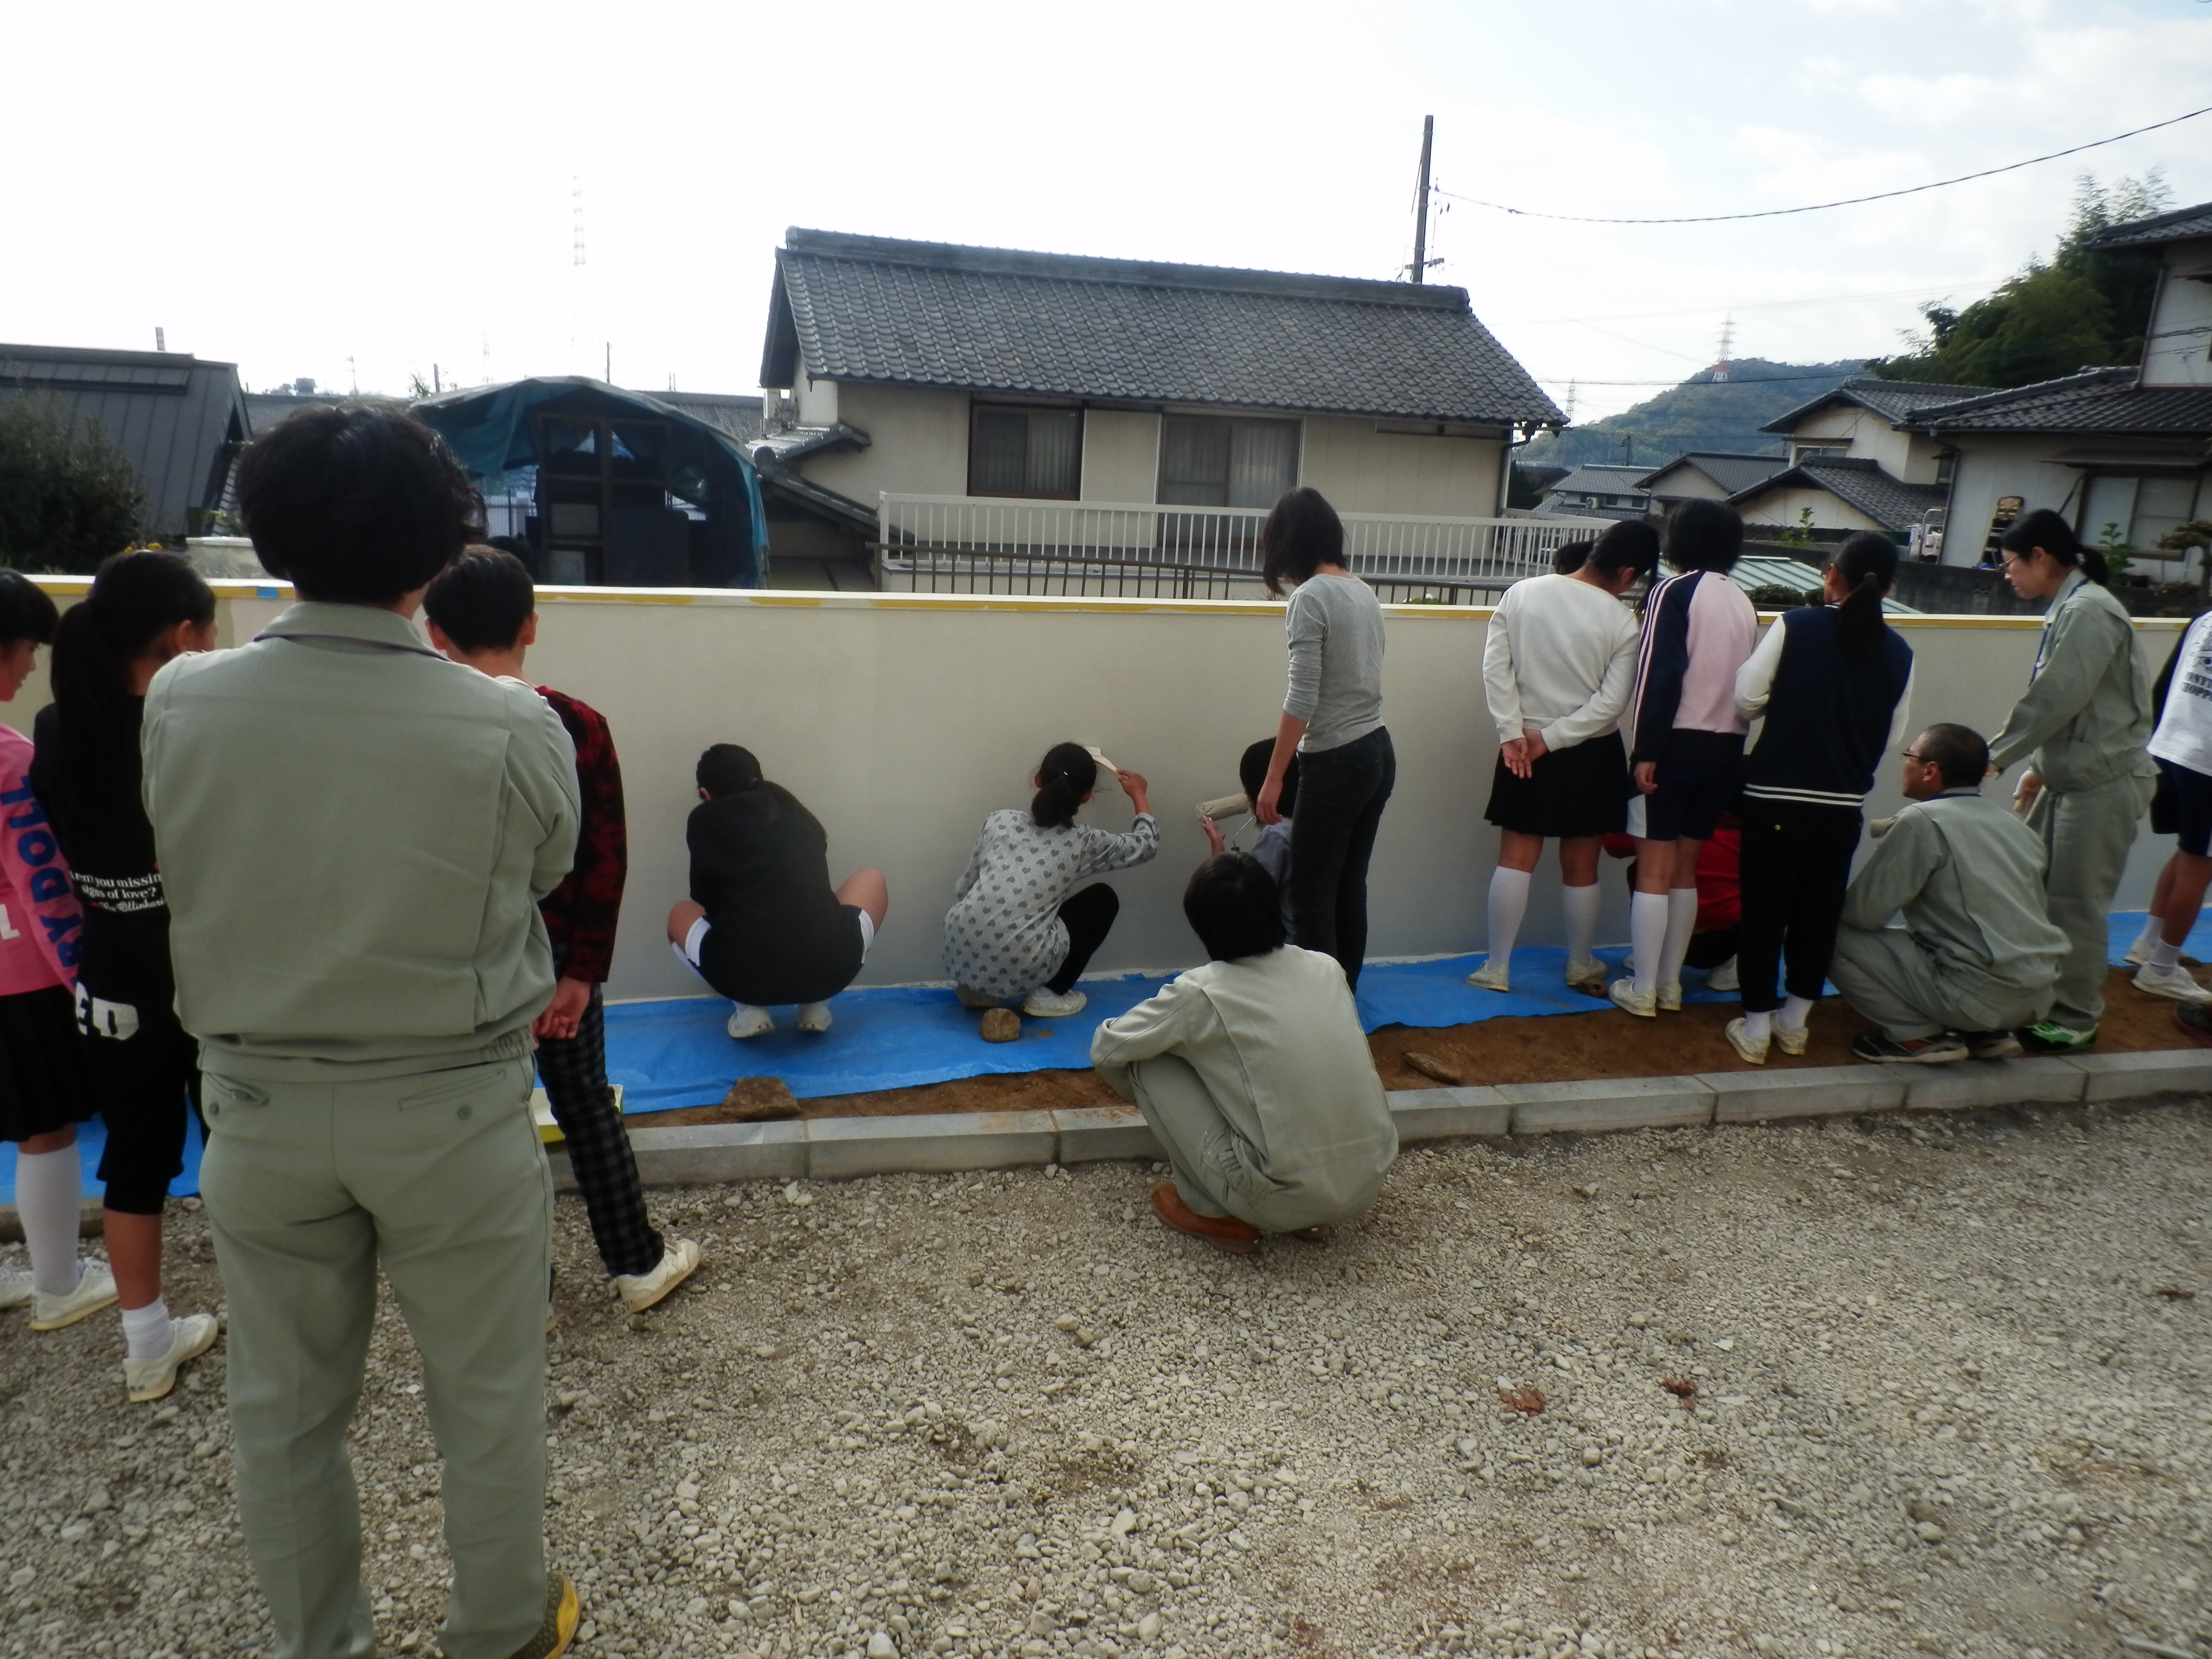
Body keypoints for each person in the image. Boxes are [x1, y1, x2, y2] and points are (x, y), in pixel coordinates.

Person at [143, 403, 585, 1659]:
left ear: (268, 536)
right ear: (438, 557)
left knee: (282, 1413)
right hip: (453, 1107)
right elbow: (544, 868)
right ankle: (502, 1628)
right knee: (486, 1401)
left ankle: (319, 1644)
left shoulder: (183, 697)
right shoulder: (513, 723)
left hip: (257, 1108)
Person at [423, 548, 702, 1314]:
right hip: (554, 967)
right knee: (583, 1105)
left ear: (435, 631)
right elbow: (603, 859)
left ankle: (523, 1293)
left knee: (490, 1123)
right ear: (531, 626)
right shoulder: (576, 725)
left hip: (463, 974)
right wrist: (580, 974)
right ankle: (637, 1264)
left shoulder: (418, 729)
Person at [30, 552, 221, 1402]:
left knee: (135, 1162)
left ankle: (146, 1343)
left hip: (108, 979)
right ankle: (277, 1319)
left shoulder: (55, 728)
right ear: (183, 634)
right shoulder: (190, 727)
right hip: (210, 975)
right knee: (243, 1151)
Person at [1091, 854, 1397, 1252]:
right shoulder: (1326, 967)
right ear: (1272, 906)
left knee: (1146, 1060)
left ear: (1201, 924)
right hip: (1366, 1182)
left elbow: (1108, 1048)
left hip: (1276, 1198)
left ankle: (1209, 1209)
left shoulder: (1201, 991)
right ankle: (1310, 1213)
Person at [1724, 533, 1915, 1063]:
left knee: (1765, 912)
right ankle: (1795, 1024)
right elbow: (1895, 734)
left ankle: (1756, 1028)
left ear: (1832, 575)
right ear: (1890, 587)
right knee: (1818, 914)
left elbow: (1746, 696)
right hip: (1842, 806)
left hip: (1774, 797)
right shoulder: (1900, 651)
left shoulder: (1796, 625)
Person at [1987, 507, 2156, 1052]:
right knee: (2037, 891)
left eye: (2010, 563)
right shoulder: (2072, 608)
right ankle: (2044, 999)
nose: (2007, 574)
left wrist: (1993, 756)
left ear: (2041, 557)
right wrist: (2038, 767)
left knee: (2076, 903)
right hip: (2072, 778)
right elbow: (2083, 708)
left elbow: (2059, 696)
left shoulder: (2089, 612)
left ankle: (2077, 1015)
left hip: (2102, 783)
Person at [1473, 518, 1657, 994]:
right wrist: (1551, 738)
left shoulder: (1523, 593)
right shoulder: (1622, 621)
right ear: (1628, 571)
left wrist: (1514, 732)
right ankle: (1580, 965)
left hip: (1522, 747)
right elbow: (1611, 706)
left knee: (1515, 858)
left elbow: (1496, 668)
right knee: (1582, 865)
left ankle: (1497, 968)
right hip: (1590, 752)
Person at [1830, 725, 2069, 1064]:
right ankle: (1988, 1035)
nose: (1905, 765)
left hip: (1975, 996)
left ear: (1930, 770)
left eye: (1909, 756)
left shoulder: (1922, 820)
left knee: (1824, 931)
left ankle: (1915, 1035)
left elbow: (1863, 915)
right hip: (2036, 994)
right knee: (1943, 941)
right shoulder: (2015, 826)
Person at [0, 573, 104, 1327]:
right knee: (48, 1130)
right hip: (22, 979)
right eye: (27, 648)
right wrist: (83, 978)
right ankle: (59, 1282)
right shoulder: (10, 761)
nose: (31, 667)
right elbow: (41, 881)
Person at [1610, 499, 1759, 1018]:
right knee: (1685, 873)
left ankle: (1644, 989)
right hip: (1726, 748)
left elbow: (1658, 673)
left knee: (1654, 868)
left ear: (1681, 540)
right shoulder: (1743, 600)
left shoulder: (1672, 591)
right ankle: (1671, 986)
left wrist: (1646, 751)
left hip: (1673, 747)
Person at [1252, 488, 1393, 989]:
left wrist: (1273, 778)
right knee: (1348, 889)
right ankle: (1343, 1005)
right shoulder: (1361, 589)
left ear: (1287, 542)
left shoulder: (1310, 597)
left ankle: (1319, 1019)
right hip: (1377, 750)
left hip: (1336, 760)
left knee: (1312, 895)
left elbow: (1302, 697)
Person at [668, 744, 890, 1037]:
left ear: (706, 794)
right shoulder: (794, 810)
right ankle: (816, 1005)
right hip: (833, 970)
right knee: (871, 879)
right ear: (757, 778)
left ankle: (749, 1010)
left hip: (744, 977)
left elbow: (704, 898)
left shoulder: (704, 819)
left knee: (679, 914)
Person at [945, 742, 1156, 1020]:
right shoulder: (1082, 842)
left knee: (1004, 909)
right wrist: (1139, 794)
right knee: (1103, 899)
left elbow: (965, 887)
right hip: (1019, 957)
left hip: (960, 948)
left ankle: (977, 990)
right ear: (1087, 797)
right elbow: (1146, 845)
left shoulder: (1000, 821)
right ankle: (1049, 995)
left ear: (1037, 779)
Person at [2123, 607, 2212, 1007]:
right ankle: (2160, 968)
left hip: (2171, 746)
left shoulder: (2206, 617)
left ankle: (2148, 943)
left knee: (2190, 853)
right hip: (2206, 760)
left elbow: (2168, 680)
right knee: (2201, 864)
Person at [1201, 737, 1297, 938]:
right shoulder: (1314, 822)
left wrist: (1218, 858)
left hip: (1289, 947)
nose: (1246, 793)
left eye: (1249, 787)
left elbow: (1247, 899)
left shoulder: (1277, 835)